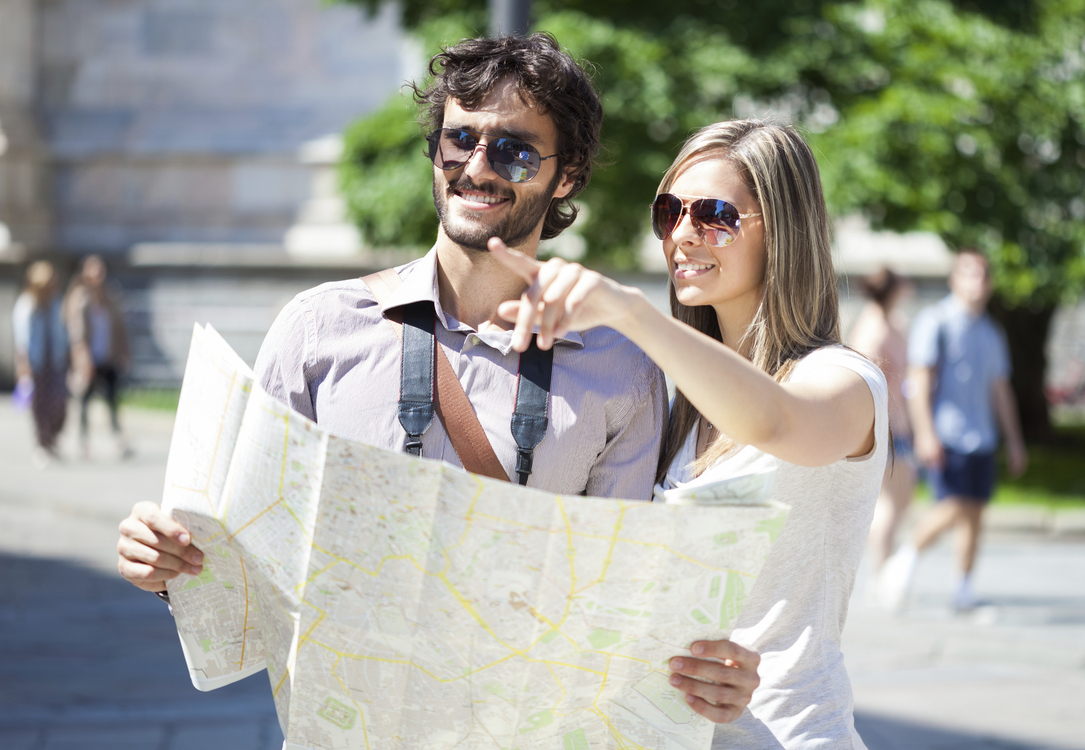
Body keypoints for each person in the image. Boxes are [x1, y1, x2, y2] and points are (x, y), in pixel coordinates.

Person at [115, 34, 758, 721]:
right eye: (459, 140)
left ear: (565, 174)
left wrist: (711, 675)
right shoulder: (317, 329)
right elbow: (238, 554)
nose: (476, 167)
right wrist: (162, 562)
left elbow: (618, 604)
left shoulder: (622, 369)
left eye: (512, 148)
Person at [491, 119, 889, 748]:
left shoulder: (845, 381)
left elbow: (776, 421)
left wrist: (627, 311)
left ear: (782, 229)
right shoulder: (680, 409)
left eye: (714, 214)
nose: (681, 235)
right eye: (670, 211)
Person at [878, 250, 1027, 612]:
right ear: (954, 279)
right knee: (953, 505)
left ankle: (964, 587)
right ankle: (904, 559)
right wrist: (925, 433)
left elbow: (1000, 389)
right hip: (948, 433)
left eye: (982, 275)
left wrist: (1015, 441)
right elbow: (920, 378)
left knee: (975, 512)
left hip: (982, 436)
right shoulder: (937, 321)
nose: (977, 282)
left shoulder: (991, 332)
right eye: (968, 274)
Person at [847, 267, 918, 590]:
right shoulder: (872, 331)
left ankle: (882, 567)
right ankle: (880, 573)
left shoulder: (892, 324)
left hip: (898, 424)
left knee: (901, 498)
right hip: (885, 426)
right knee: (891, 502)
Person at [63, 254, 133, 460]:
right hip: (88, 358)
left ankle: (118, 440)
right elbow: (76, 333)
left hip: (107, 356)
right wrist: (83, 359)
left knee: (112, 399)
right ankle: (83, 442)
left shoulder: (110, 297)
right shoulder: (80, 299)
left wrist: (123, 353)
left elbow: (119, 328)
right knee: (85, 401)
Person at [12, 261, 71, 468]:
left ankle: (52, 438)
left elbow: (63, 332)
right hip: (36, 362)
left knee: (59, 402)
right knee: (40, 406)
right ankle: (42, 444)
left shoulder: (56, 303)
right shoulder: (26, 305)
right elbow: (21, 339)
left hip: (55, 360)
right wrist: (23, 366)